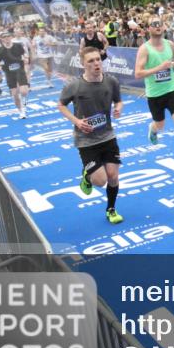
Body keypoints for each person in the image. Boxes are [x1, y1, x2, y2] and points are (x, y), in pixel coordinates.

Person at [58, 46, 125, 225]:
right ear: (82, 64)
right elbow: (61, 105)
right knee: (100, 181)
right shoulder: (75, 85)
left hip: (108, 136)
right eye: (91, 61)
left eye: (98, 59)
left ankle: (111, 209)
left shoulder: (111, 81)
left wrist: (118, 107)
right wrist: (77, 121)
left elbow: (119, 100)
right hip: (86, 141)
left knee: (113, 176)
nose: (96, 63)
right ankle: (87, 176)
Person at [134, 18, 174, 173]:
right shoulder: (144, 49)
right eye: (154, 25)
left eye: (159, 25)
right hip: (155, 94)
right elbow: (138, 73)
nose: (157, 27)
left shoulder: (169, 44)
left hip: (172, 89)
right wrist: (159, 68)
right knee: (160, 124)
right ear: (148, 29)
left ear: (163, 28)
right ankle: (153, 129)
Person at [0, 32, 31, 119]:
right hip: (9, 72)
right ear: (2, 39)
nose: (7, 38)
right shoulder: (0, 50)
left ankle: (24, 103)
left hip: (20, 70)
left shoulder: (18, 45)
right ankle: (21, 111)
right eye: (4, 37)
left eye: (8, 36)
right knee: (15, 94)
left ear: (11, 37)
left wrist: (26, 58)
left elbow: (24, 53)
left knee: (24, 92)